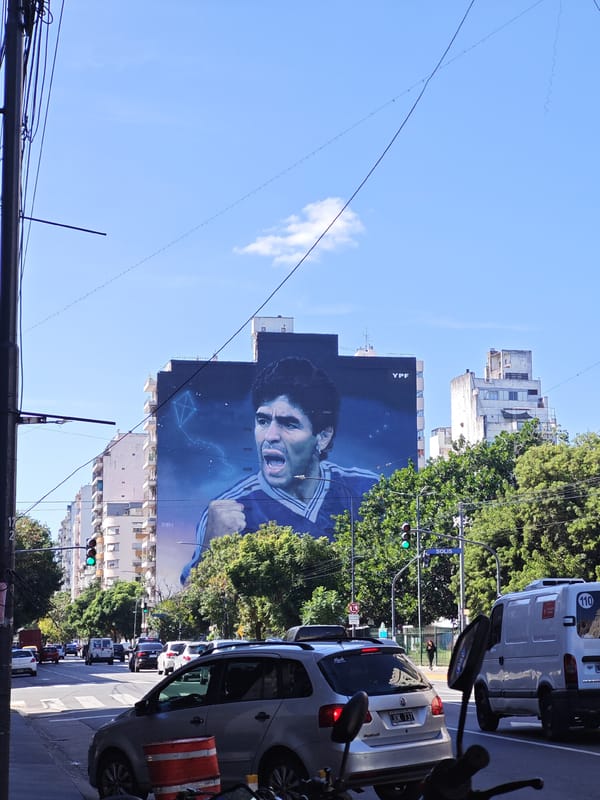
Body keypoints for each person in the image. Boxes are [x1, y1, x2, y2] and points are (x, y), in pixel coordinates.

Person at [181, 356, 379, 583]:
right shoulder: (226, 513)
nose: (271, 436)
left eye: (289, 424)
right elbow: (189, 604)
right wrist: (210, 547)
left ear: (323, 437)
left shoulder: (367, 491)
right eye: (263, 421)